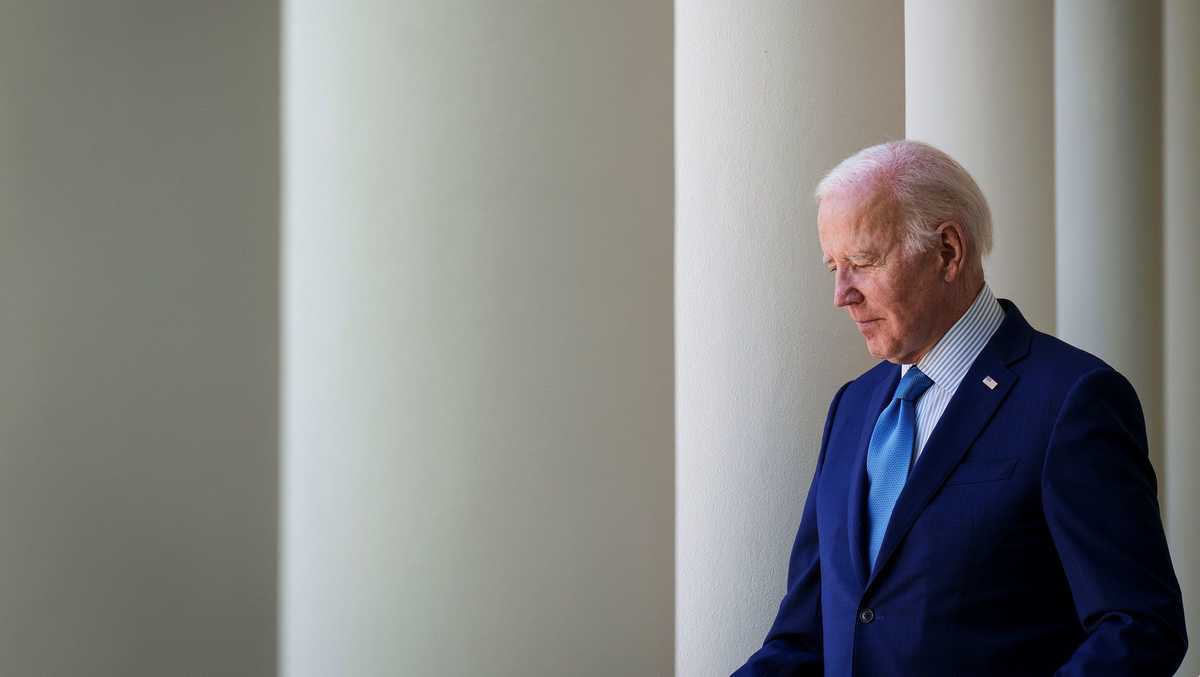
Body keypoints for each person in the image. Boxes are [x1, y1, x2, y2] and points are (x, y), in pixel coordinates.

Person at [732, 140, 1187, 676]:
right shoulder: (852, 407)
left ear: (948, 251)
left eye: (861, 262)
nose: (841, 294)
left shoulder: (1073, 398)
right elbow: (803, 637)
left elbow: (1138, 626)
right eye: (834, 266)